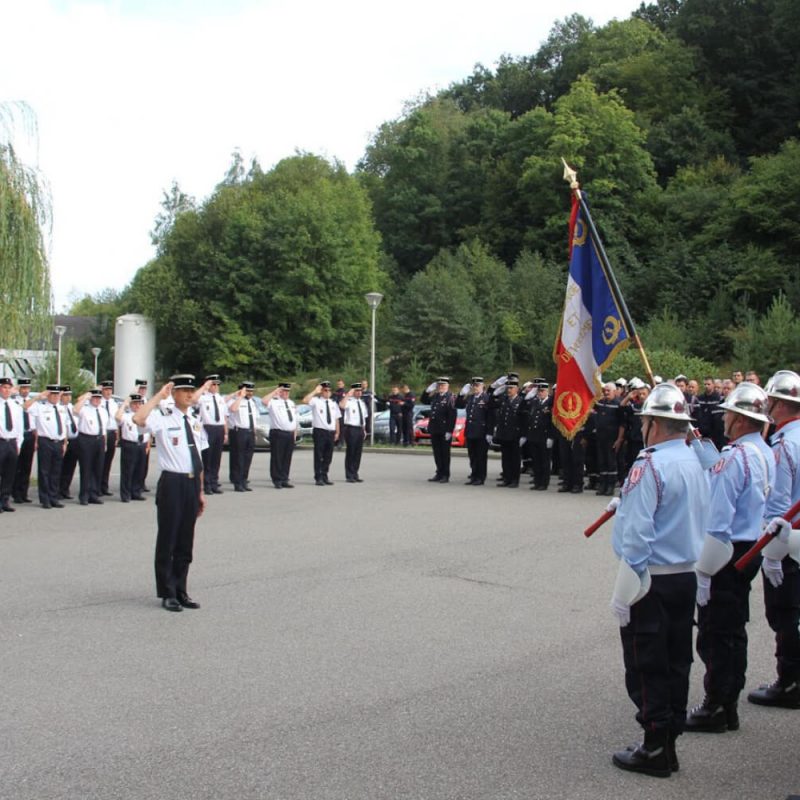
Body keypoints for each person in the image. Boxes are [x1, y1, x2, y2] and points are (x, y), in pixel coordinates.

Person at [609, 383, 709, 778]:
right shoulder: (694, 459)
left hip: (651, 579)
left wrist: (626, 587)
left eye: (645, 421)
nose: (642, 428)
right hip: (685, 574)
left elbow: (637, 536)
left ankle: (654, 746)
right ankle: (668, 741)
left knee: (646, 662)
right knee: (676, 660)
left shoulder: (649, 463)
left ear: (654, 424)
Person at [686, 381, 774, 733]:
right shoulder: (762, 450)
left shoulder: (735, 457)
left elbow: (717, 520)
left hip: (726, 551)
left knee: (715, 632)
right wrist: (703, 451)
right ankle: (728, 702)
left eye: (728, 414)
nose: (723, 420)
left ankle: (716, 706)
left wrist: (704, 573)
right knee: (734, 629)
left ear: (739, 419)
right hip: (750, 546)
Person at [747, 370, 800, 709]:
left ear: (780, 404)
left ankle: (790, 681)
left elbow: (778, 503)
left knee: (785, 612)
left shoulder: (783, 442)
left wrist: (770, 554)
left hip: (789, 539)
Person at [133, 376, 206, 612]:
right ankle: (167, 592)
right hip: (172, 483)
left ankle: (181, 588)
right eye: (183, 391)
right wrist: (157, 397)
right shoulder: (162, 419)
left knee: (186, 540)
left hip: (191, 483)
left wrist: (201, 491)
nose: (188, 395)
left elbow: (199, 459)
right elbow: (138, 418)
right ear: (174, 394)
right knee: (169, 538)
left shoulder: (195, 421)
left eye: (190, 391)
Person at [29, 385, 66, 509]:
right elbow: (25, 407)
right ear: (48, 396)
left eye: (57, 395)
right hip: (46, 441)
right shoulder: (40, 407)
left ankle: (53, 497)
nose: (55, 397)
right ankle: (45, 499)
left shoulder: (61, 409)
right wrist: (38, 397)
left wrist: (65, 443)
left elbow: (64, 426)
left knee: (56, 471)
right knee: (44, 471)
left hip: (58, 442)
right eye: (53, 395)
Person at [73, 388, 108, 505]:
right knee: (86, 468)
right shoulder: (84, 409)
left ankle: (94, 494)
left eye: (99, 398)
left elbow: (104, 429)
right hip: (86, 440)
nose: (97, 400)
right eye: (95, 398)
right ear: (91, 398)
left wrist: (105, 443)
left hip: (100, 440)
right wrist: (85, 397)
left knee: (98, 468)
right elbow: (75, 410)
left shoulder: (103, 411)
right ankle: (84, 495)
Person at [303, 381, 341, 485]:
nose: (327, 392)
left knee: (328, 456)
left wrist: (337, 432)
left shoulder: (333, 403)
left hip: (331, 432)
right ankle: (318, 476)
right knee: (319, 455)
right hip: (320, 431)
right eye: (325, 390)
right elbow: (305, 400)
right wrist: (315, 391)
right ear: (321, 391)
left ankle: (325, 475)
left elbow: (336, 419)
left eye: (329, 390)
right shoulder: (316, 401)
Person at [457, 377, 492, 486]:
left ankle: (480, 477)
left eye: (477, 385)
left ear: (483, 386)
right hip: (470, 431)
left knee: (481, 456)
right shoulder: (470, 398)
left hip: (482, 432)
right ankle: (474, 475)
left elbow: (491, 417)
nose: (475, 387)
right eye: (473, 386)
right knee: (472, 455)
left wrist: (489, 432)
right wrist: (462, 394)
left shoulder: (487, 398)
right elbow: (458, 405)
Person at [492, 377, 526, 488]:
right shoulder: (503, 400)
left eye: (511, 388)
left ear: (517, 389)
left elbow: (524, 420)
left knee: (515, 459)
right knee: (505, 458)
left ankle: (514, 480)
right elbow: (491, 404)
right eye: (508, 388)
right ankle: (506, 478)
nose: (509, 390)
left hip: (515, 435)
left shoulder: (521, 401)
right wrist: (494, 391)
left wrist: (523, 435)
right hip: (504, 434)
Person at [423, 377, 457, 483]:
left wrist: (449, 431)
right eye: (439, 385)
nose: (441, 387)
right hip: (434, 428)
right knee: (437, 453)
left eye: (443, 385)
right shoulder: (435, 396)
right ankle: (439, 473)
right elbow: (424, 400)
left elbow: (452, 416)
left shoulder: (451, 397)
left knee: (445, 454)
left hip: (444, 429)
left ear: (447, 386)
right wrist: (427, 390)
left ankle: (445, 475)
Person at [593, 383, 624, 496]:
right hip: (601, 437)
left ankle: (610, 486)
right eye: (605, 391)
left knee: (611, 463)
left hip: (612, 438)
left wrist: (619, 439)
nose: (606, 393)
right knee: (602, 462)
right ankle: (603, 485)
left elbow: (622, 424)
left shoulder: (618, 404)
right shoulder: (601, 403)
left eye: (608, 391)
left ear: (615, 392)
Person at [198, 374, 227, 495]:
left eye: (217, 384)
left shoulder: (220, 398)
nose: (215, 387)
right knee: (207, 458)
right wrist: (204, 387)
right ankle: (207, 484)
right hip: (207, 428)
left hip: (219, 428)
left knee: (216, 458)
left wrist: (225, 432)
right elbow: (194, 399)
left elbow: (224, 416)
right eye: (213, 384)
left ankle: (214, 482)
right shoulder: (203, 398)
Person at [116, 393, 148, 502]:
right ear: (131, 405)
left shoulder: (144, 416)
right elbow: (117, 417)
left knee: (140, 470)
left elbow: (150, 432)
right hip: (130, 445)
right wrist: (124, 404)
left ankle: (136, 492)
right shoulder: (126, 416)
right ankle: (125, 494)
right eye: (135, 403)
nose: (137, 406)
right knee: (127, 471)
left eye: (139, 403)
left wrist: (148, 444)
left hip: (142, 444)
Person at [265, 383, 298, 488]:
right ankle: (277, 479)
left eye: (288, 391)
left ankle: (284, 478)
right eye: (284, 391)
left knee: (287, 457)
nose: (286, 393)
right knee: (277, 457)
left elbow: (295, 419)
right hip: (278, 433)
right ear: (279, 391)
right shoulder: (274, 402)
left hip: (290, 433)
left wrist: (294, 433)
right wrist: (275, 392)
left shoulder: (291, 403)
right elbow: (263, 401)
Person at [226, 381, 257, 492]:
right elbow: (233, 409)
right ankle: (237, 482)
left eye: (252, 391)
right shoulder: (234, 401)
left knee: (247, 458)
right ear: (242, 390)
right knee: (238, 458)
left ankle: (244, 480)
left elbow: (253, 419)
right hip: (238, 432)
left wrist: (254, 432)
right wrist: (240, 396)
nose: (250, 393)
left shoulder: (252, 402)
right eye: (248, 391)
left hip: (249, 432)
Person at [526, 380, 554, 491]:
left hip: (545, 436)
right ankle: (537, 481)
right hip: (534, 435)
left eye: (542, 391)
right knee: (536, 460)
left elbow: (553, 422)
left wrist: (551, 437)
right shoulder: (535, 402)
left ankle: (544, 483)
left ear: (547, 391)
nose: (540, 393)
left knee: (545, 461)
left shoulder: (551, 404)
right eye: (539, 391)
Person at [0, 377, 23, 512]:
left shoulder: (15, 406)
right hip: (1, 441)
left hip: (12, 442)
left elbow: (19, 427)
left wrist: (18, 444)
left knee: (9, 474)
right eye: (4, 387)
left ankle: (5, 500)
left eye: (9, 388)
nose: (6, 390)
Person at [11, 377, 34, 504]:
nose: (25, 390)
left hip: (30, 435)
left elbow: (35, 422)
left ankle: (24, 492)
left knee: (27, 466)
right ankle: (15, 492)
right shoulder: (14, 402)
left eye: (27, 388)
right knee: (17, 466)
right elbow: (22, 409)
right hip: (19, 435)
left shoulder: (33, 403)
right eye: (23, 388)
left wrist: (35, 439)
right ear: (19, 388)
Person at [340, 382, 367, 483]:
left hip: (359, 429)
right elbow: (342, 405)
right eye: (357, 391)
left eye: (360, 391)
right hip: (351, 429)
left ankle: (355, 473)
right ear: (353, 391)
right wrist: (348, 394)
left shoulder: (362, 403)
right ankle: (349, 475)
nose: (359, 393)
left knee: (358, 453)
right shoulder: (349, 401)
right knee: (351, 452)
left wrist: (364, 429)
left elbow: (363, 417)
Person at [58, 386, 80, 499]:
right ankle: (57, 490)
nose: (68, 397)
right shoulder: (58, 408)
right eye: (65, 395)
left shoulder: (73, 408)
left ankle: (65, 489)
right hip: (64, 441)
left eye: (69, 395)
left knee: (70, 466)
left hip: (75, 440)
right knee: (61, 466)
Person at [99, 380, 119, 496]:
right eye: (106, 390)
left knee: (108, 462)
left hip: (112, 432)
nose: (108, 392)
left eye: (110, 390)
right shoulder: (98, 401)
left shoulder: (114, 403)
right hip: (102, 433)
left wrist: (117, 435)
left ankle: (104, 486)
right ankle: (96, 486)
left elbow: (116, 420)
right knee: (99, 461)